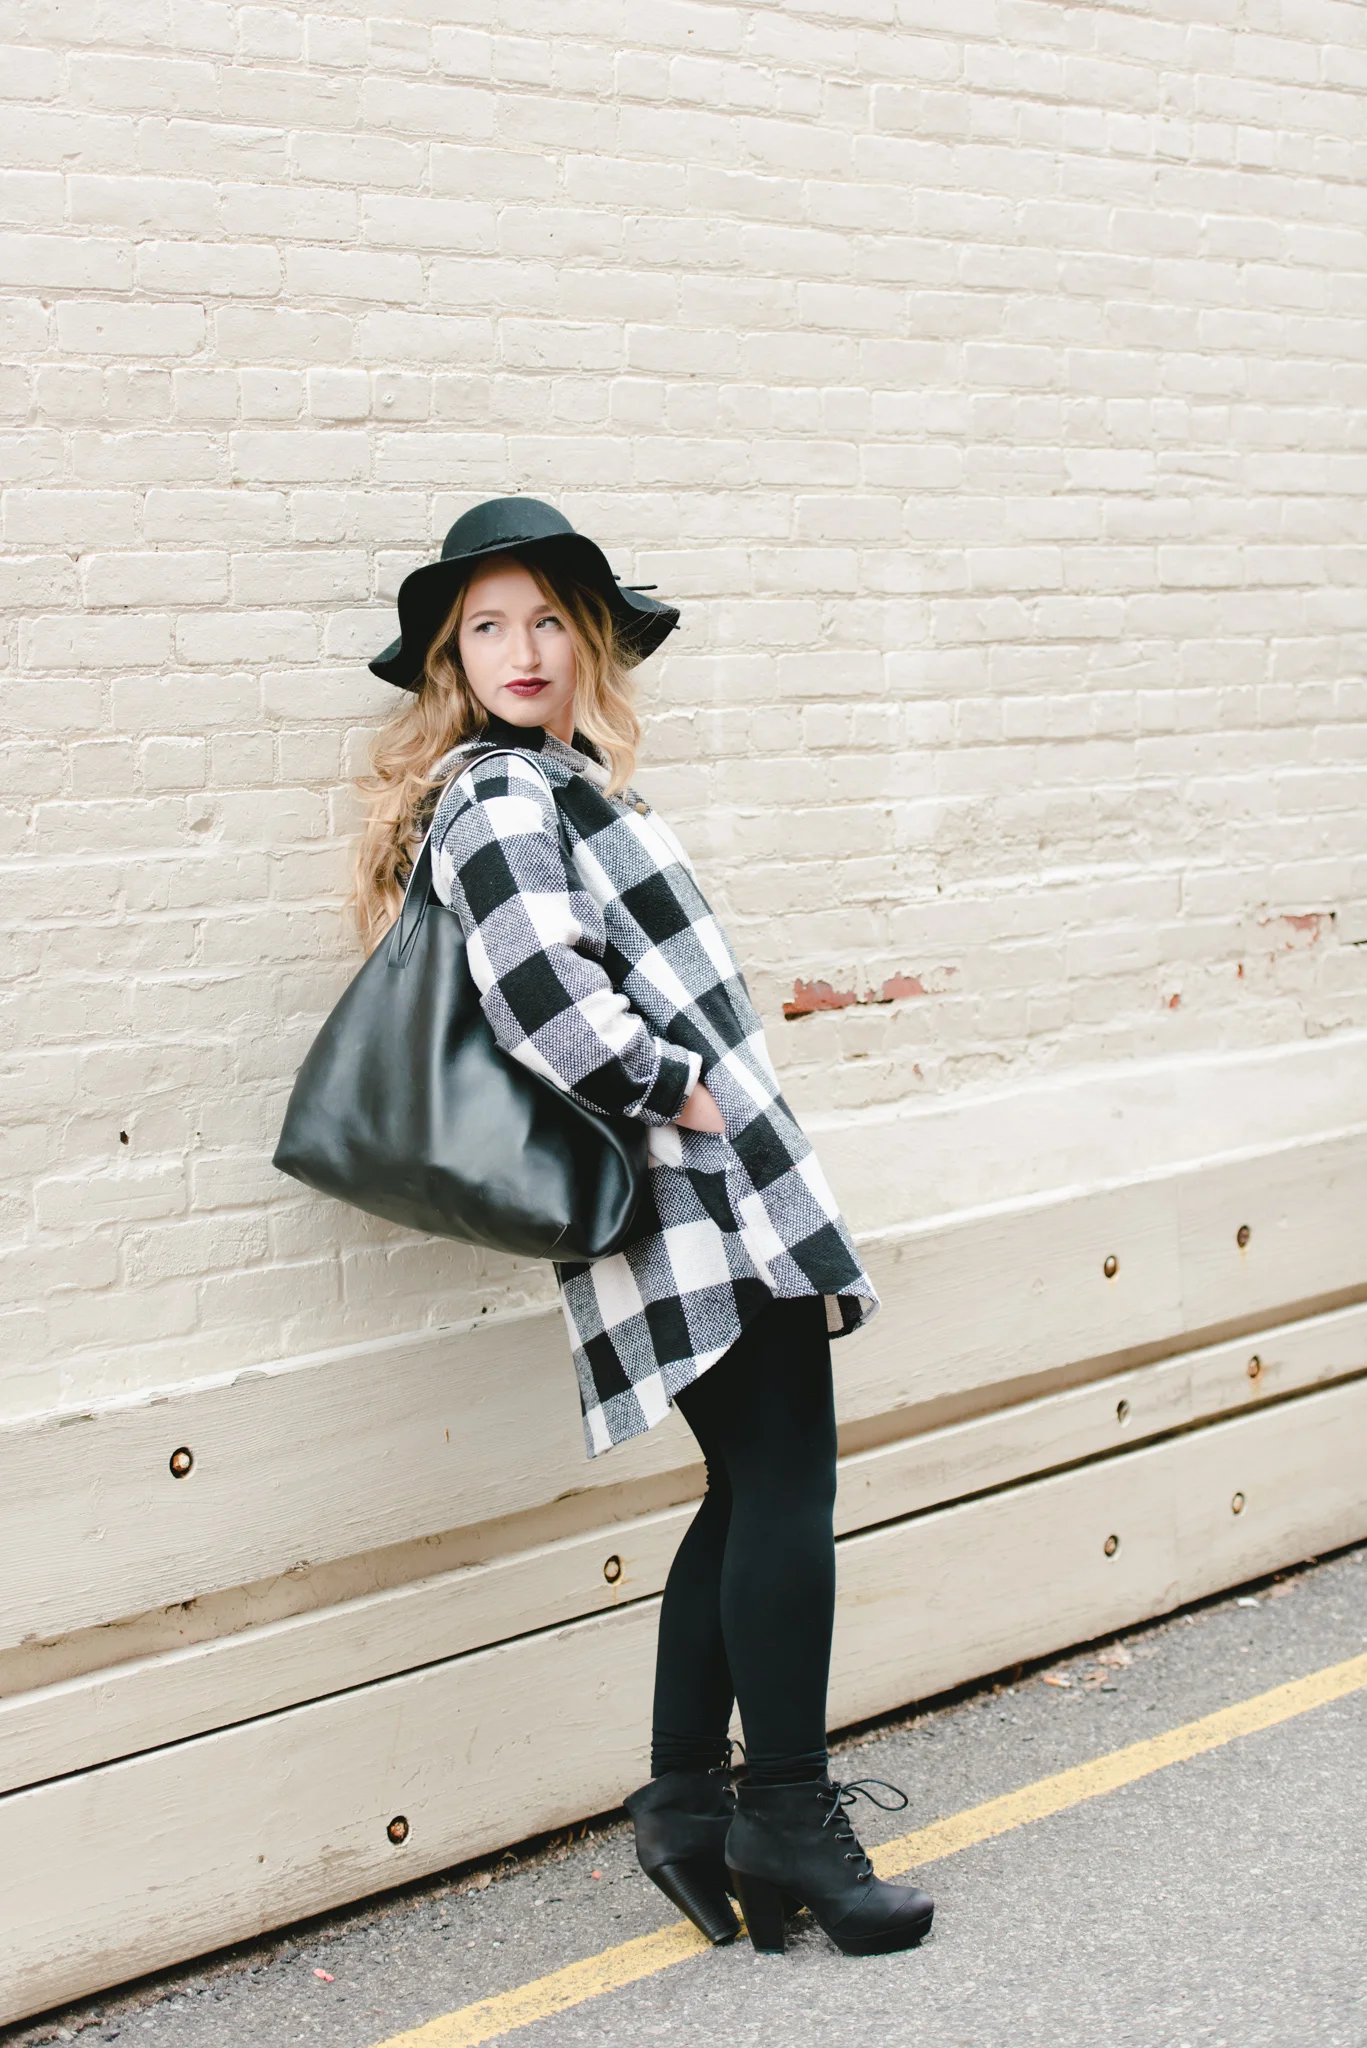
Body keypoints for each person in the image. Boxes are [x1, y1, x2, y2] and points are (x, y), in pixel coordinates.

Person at [356, 497, 934, 1958]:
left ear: (590, 638)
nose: (523, 649)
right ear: (452, 657)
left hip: (699, 1194)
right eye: (487, 626)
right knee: (785, 1487)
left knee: (746, 1490)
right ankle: (784, 1813)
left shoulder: (564, 784)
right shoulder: (503, 794)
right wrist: (681, 1091)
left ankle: (686, 1803)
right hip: (695, 1196)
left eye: (548, 619)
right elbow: (539, 996)